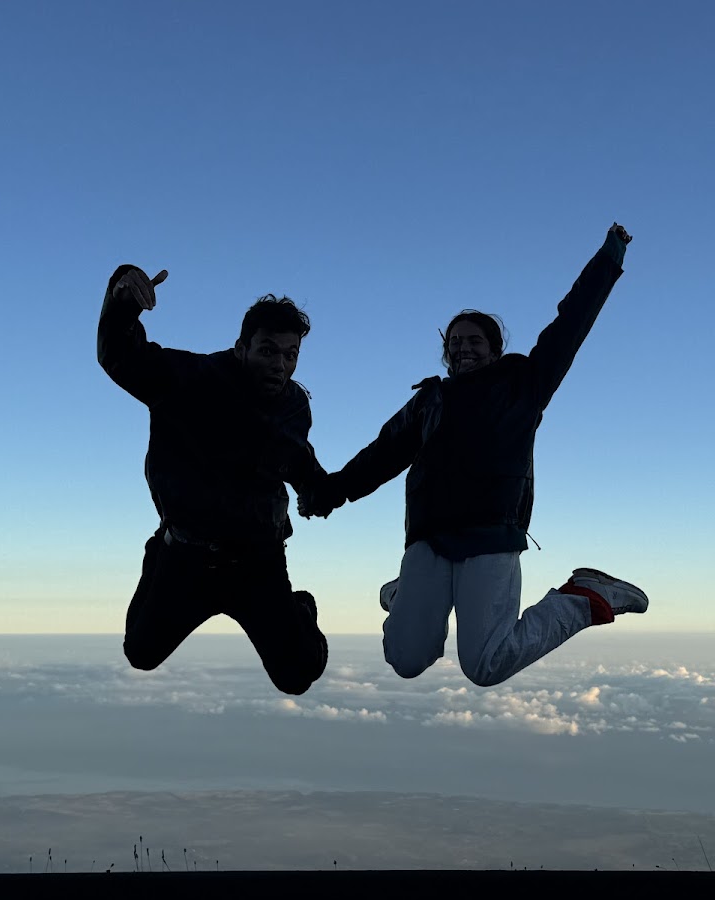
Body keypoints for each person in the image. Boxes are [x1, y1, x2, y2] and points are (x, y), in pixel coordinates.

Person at [299, 224, 647, 687]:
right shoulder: (429, 401)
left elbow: (572, 321)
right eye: (454, 343)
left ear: (494, 348)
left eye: (473, 341)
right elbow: (380, 456)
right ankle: (406, 597)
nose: (462, 349)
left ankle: (584, 597)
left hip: (491, 533)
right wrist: (327, 495)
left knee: (485, 665)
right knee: (405, 659)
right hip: (429, 533)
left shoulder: (525, 383)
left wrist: (608, 260)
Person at [98, 264, 328, 695]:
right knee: (140, 653)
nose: (280, 364)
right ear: (241, 347)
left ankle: (302, 609)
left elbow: (293, 453)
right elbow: (121, 356)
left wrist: (316, 488)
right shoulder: (190, 379)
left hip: (258, 560)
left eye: (290, 354)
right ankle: (157, 549)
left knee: (299, 675)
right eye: (267, 350)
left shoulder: (294, 403)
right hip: (187, 557)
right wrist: (123, 300)